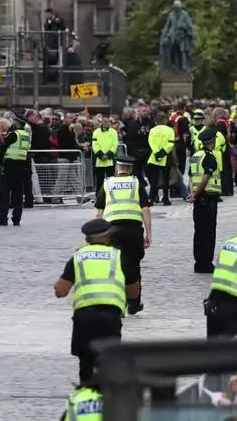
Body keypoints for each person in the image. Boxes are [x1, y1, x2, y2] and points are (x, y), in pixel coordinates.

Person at [55, 219, 139, 385]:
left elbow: (60, 291)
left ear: (87, 239)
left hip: (84, 317)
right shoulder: (119, 256)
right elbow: (134, 292)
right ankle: (108, 398)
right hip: (110, 317)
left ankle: (87, 397)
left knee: (86, 363)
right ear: (108, 237)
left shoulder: (78, 257)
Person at [95, 150, 152, 315]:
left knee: (114, 267)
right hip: (133, 231)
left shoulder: (107, 184)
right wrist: (149, 233)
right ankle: (134, 303)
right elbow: (145, 210)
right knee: (133, 267)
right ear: (131, 169)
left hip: (112, 231)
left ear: (116, 167)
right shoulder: (136, 184)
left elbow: (98, 212)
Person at [188, 127, 222, 274]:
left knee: (199, 232)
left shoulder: (196, 155)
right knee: (208, 232)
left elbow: (190, 176)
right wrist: (196, 194)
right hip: (207, 199)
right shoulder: (209, 157)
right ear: (212, 142)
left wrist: (192, 193)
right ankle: (206, 263)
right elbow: (205, 178)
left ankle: (199, 263)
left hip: (198, 199)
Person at [0, 118, 31, 227]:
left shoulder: (14, 134)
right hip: (21, 166)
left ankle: (2, 219)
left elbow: (3, 148)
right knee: (18, 194)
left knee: (4, 194)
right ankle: (16, 219)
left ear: (17, 123)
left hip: (10, 166)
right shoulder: (25, 135)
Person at [146, 116, 175, 206]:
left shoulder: (152, 130)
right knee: (165, 179)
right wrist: (163, 152)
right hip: (166, 157)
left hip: (155, 157)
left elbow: (151, 142)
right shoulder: (170, 130)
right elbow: (170, 143)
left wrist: (157, 153)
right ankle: (165, 198)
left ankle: (151, 198)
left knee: (154, 179)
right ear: (165, 121)